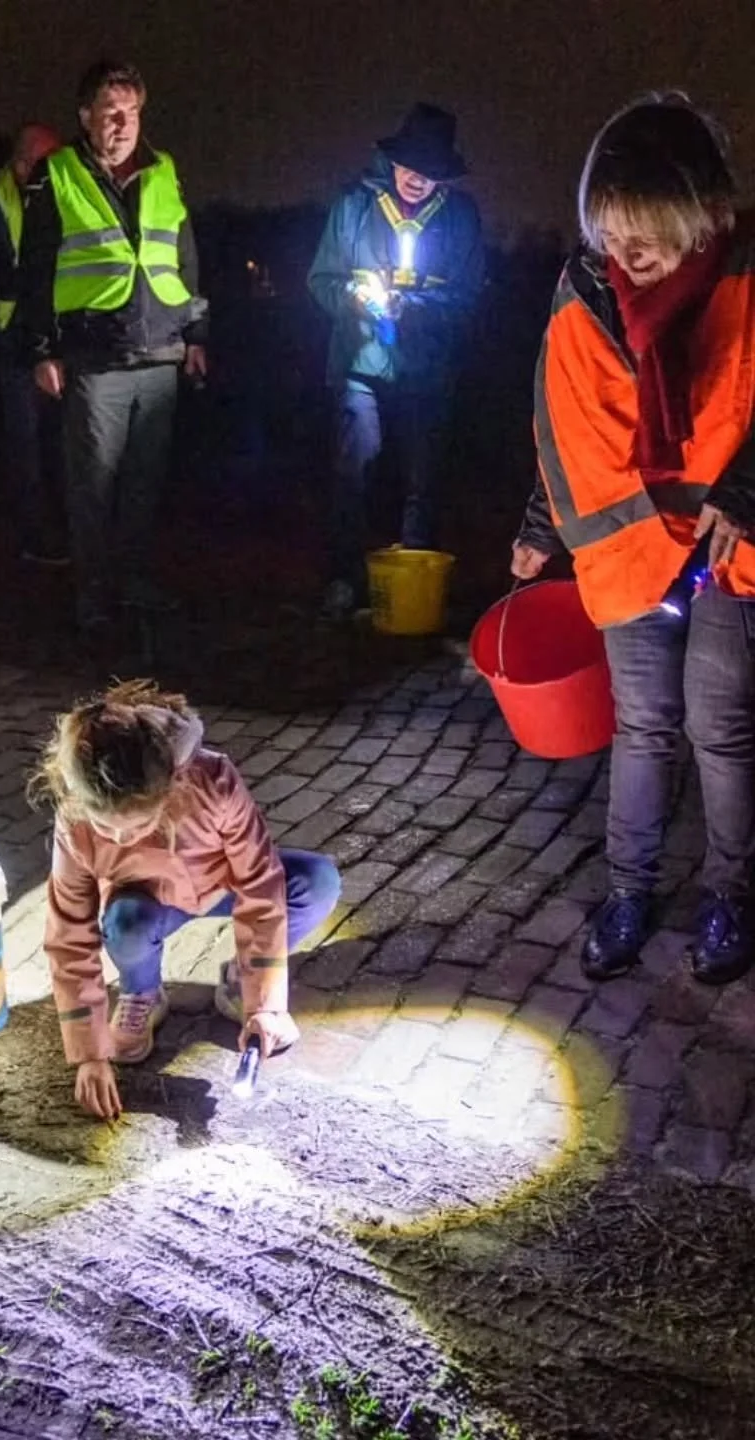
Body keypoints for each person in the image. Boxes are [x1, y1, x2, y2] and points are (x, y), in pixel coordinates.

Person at [511, 95, 755, 987]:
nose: (627, 253)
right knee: (644, 729)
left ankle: (729, 896)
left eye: (644, 230)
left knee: (721, 732)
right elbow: (563, 418)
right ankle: (629, 891)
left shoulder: (743, 277)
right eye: (611, 230)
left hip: (728, 547)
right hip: (628, 551)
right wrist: (543, 527)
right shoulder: (584, 290)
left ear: (700, 217)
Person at [30, 679, 341, 1119]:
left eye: (137, 827)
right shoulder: (73, 824)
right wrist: (89, 1054)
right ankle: (142, 992)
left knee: (317, 881)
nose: (122, 838)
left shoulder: (211, 779)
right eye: (109, 830)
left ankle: (239, 981)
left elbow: (259, 883)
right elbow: (69, 938)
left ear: (173, 787)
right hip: (148, 905)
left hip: (220, 885)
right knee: (125, 922)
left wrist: (265, 1003)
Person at [18, 60, 208, 644]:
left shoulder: (163, 170)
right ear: (85, 117)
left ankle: (134, 579)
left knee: (145, 483)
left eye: (131, 112)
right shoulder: (60, 173)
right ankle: (93, 595)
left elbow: (185, 256)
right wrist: (42, 349)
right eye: (110, 111)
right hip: (95, 357)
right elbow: (37, 266)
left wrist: (196, 336)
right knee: (92, 484)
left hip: (160, 352)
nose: (123, 123)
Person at [308, 104, 485, 617]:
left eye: (429, 170)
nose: (417, 178)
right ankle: (346, 580)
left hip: (429, 370)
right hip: (360, 365)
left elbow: (470, 297)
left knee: (422, 478)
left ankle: (412, 595)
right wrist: (354, 297)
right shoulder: (353, 205)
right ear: (393, 161)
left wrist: (416, 309)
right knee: (354, 470)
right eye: (411, 165)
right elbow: (320, 281)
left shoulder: (460, 216)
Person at [0, 121, 67, 565]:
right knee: (25, 439)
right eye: (46, 164)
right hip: (9, 337)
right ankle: (32, 537)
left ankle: (60, 525)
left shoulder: (41, 196)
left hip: (43, 331)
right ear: (23, 163)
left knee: (53, 437)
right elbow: (2, 282)